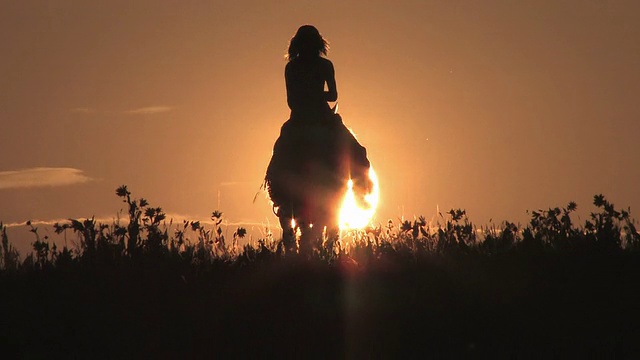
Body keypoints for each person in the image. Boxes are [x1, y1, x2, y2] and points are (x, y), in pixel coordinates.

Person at [285, 25, 337, 122]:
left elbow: (333, 96)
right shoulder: (291, 67)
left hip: (320, 116)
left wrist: (310, 96)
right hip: (301, 117)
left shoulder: (325, 65)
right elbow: (291, 102)